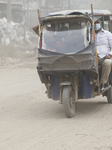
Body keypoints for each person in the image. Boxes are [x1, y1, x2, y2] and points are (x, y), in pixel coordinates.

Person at [95, 19, 112, 91]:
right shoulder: (89, 35)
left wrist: (110, 55)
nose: (96, 24)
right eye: (95, 23)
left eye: (98, 22)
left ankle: (103, 83)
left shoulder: (108, 34)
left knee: (107, 63)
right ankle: (94, 83)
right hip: (93, 58)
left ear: (101, 23)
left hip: (106, 57)